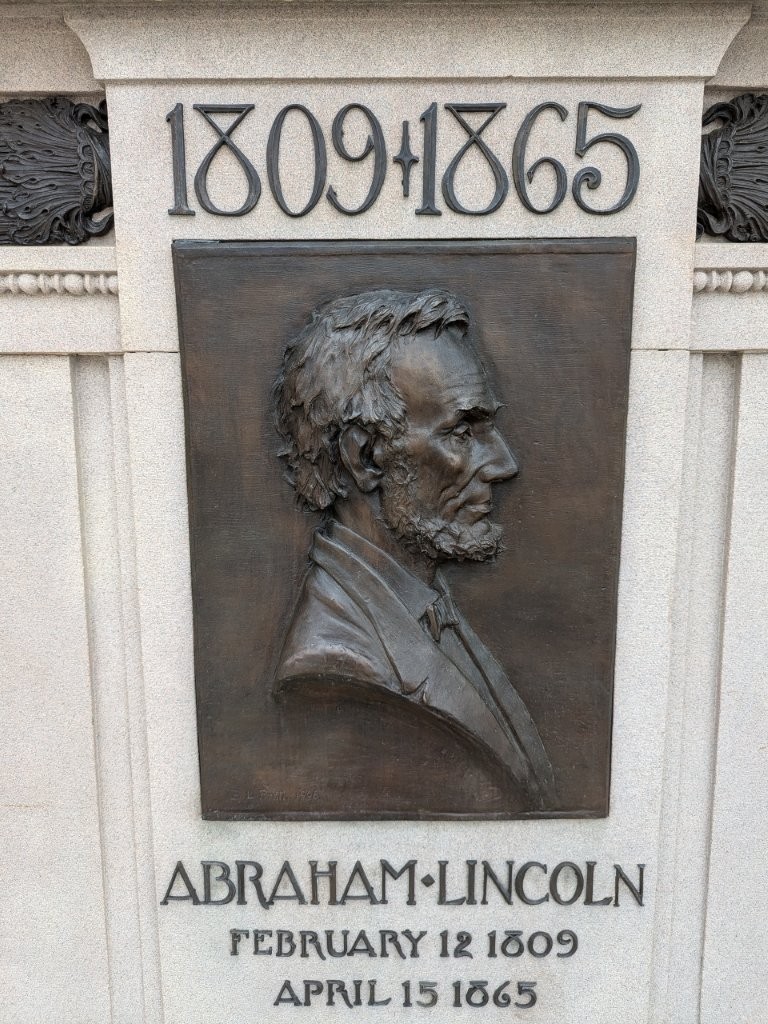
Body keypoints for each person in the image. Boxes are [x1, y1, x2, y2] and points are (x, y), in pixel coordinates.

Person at [272, 287, 556, 812]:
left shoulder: (425, 606)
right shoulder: (334, 671)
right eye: (463, 432)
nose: (503, 463)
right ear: (368, 457)